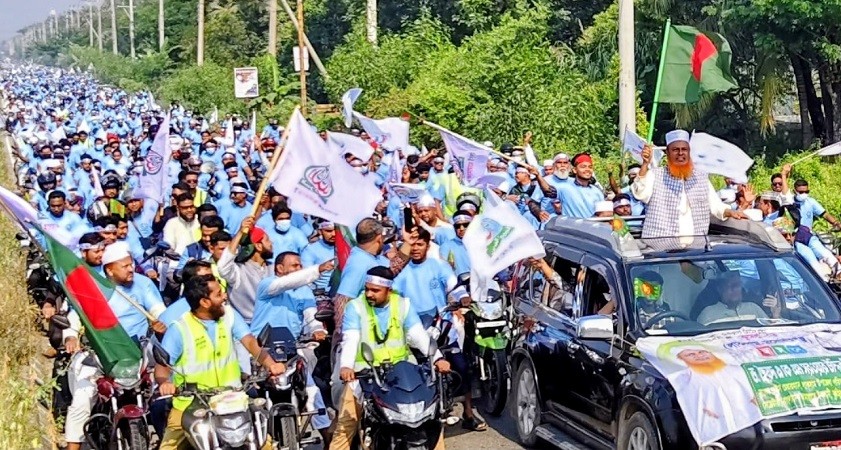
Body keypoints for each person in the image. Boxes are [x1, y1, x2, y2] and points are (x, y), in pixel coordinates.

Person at [155, 275, 284, 450]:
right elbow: (162, 368)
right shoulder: (179, 329)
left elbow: (250, 342)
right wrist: (165, 383)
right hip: (190, 406)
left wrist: (271, 364)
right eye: (218, 294)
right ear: (204, 302)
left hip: (234, 400)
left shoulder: (229, 315)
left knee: (265, 444)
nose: (225, 296)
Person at [331, 267, 451, 450]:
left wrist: (438, 359)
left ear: (389, 289)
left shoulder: (403, 305)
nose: (369, 294)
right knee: (346, 426)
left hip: (404, 376)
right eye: (367, 289)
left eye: (375, 290)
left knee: (431, 422)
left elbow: (418, 335)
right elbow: (351, 338)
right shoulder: (355, 307)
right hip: (365, 376)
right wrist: (346, 366)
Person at [62, 242, 167, 450]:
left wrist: (160, 323)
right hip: (102, 354)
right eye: (125, 266)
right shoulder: (93, 288)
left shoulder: (143, 284)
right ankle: (72, 446)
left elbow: (159, 310)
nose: (131, 269)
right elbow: (76, 316)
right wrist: (71, 337)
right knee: (82, 400)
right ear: (109, 270)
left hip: (137, 354)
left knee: (167, 392)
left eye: (131, 264)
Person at [633, 130, 747, 242]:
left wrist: (731, 212)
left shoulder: (700, 178)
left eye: (684, 149)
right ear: (667, 152)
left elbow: (716, 206)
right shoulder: (656, 174)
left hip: (695, 249)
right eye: (675, 150)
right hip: (661, 249)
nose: (680, 153)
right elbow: (640, 194)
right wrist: (645, 164)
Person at [696, 271, 781, 325]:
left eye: (737, 285)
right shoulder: (708, 314)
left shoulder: (753, 308)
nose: (735, 289)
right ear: (720, 289)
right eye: (731, 286)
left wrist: (775, 315)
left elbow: (771, 331)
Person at [556, 153, 605, 218]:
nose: (587, 169)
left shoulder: (597, 191)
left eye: (590, 167)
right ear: (575, 170)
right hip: (571, 227)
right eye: (583, 167)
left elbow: (603, 213)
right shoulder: (564, 188)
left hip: (592, 227)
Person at [301, 219, 337, 291]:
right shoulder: (310, 250)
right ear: (320, 231)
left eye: (335, 230)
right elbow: (306, 276)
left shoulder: (345, 246)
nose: (333, 234)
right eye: (328, 231)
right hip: (321, 292)